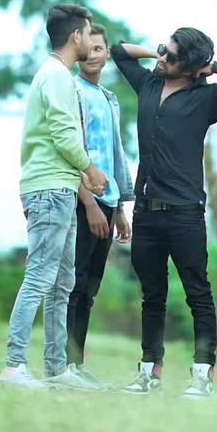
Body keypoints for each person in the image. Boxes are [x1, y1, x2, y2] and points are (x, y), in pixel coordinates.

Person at [110, 28, 217, 398]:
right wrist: (159, 53)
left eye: (173, 57)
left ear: (193, 67)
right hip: (146, 211)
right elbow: (119, 51)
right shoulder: (148, 84)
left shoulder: (207, 99)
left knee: (198, 294)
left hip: (185, 215)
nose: (164, 58)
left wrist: (215, 68)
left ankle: (202, 377)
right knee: (152, 296)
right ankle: (149, 373)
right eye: (165, 50)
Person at [0, 4, 108, 391]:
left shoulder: (56, 75)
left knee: (63, 283)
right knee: (40, 278)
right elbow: (64, 135)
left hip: (60, 187)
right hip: (49, 189)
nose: (91, 39)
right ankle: (14, 366)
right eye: (88, 33)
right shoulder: (56, 76)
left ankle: (57, 368)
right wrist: (91, 170)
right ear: (76, 36)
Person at [66, 23, 135, 388]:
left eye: (99, 49)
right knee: (74, 283)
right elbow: (70, 152)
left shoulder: (109, 98)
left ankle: (77, 363)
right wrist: (90, 204)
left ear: (108, 53)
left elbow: (114, 153)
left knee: (90, 287)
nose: (93, 55)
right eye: (88, 48)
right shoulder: (73, 91)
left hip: (108, 203)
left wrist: (119, 207)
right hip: (83, 203)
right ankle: (64, 363)